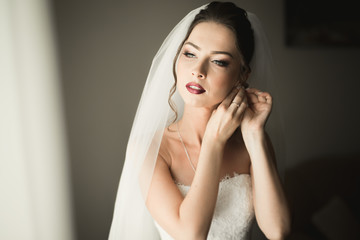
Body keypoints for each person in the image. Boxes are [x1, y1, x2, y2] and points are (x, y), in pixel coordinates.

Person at [108, 2, 291, 240]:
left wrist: (255, 135)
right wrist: (214, 142)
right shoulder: (150, 148)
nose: (198, 70)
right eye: (190, 54)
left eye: (219, 61)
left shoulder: (251, 141)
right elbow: (191, 235)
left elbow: (278, 230)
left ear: (242, 74)